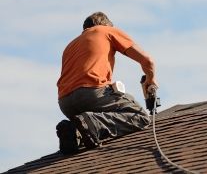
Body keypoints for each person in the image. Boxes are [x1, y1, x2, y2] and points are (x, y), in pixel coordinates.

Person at [56, 12, 158, 154]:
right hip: (91, 93)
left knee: (88, 124)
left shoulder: (70, 46)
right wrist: (150, 79)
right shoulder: (106, 30)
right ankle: (91, 123)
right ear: (105, 24)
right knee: (139, 116)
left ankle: (74, 132)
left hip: (65, 102)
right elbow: (148, 61)